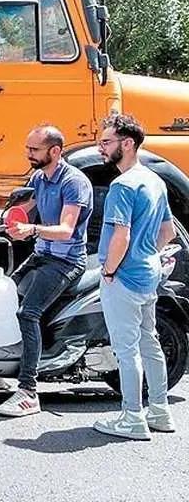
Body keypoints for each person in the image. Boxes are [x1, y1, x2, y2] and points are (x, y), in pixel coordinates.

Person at [0, 125, 93, 417]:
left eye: (34, 149)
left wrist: (31, 229)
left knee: (27, 313)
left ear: (54, 151)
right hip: (41, 254)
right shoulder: (39, 178)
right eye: (28, 148)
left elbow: (67, 230)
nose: (28, 153)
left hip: (65, 260)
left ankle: (29, 392)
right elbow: (23, 208)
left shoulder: (74, 183)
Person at [93, 113, 178, 440]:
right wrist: (146, 255)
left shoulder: (122, 185)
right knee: (149, 342)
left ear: (126, 144)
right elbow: (168, 231)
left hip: (124, 278)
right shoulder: (154, 180)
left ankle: (132, 417)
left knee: (126, 350)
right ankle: (160, 410)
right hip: (148, 274)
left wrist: (110, 270)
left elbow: (120, 236)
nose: (102, 148)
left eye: (107, 142)